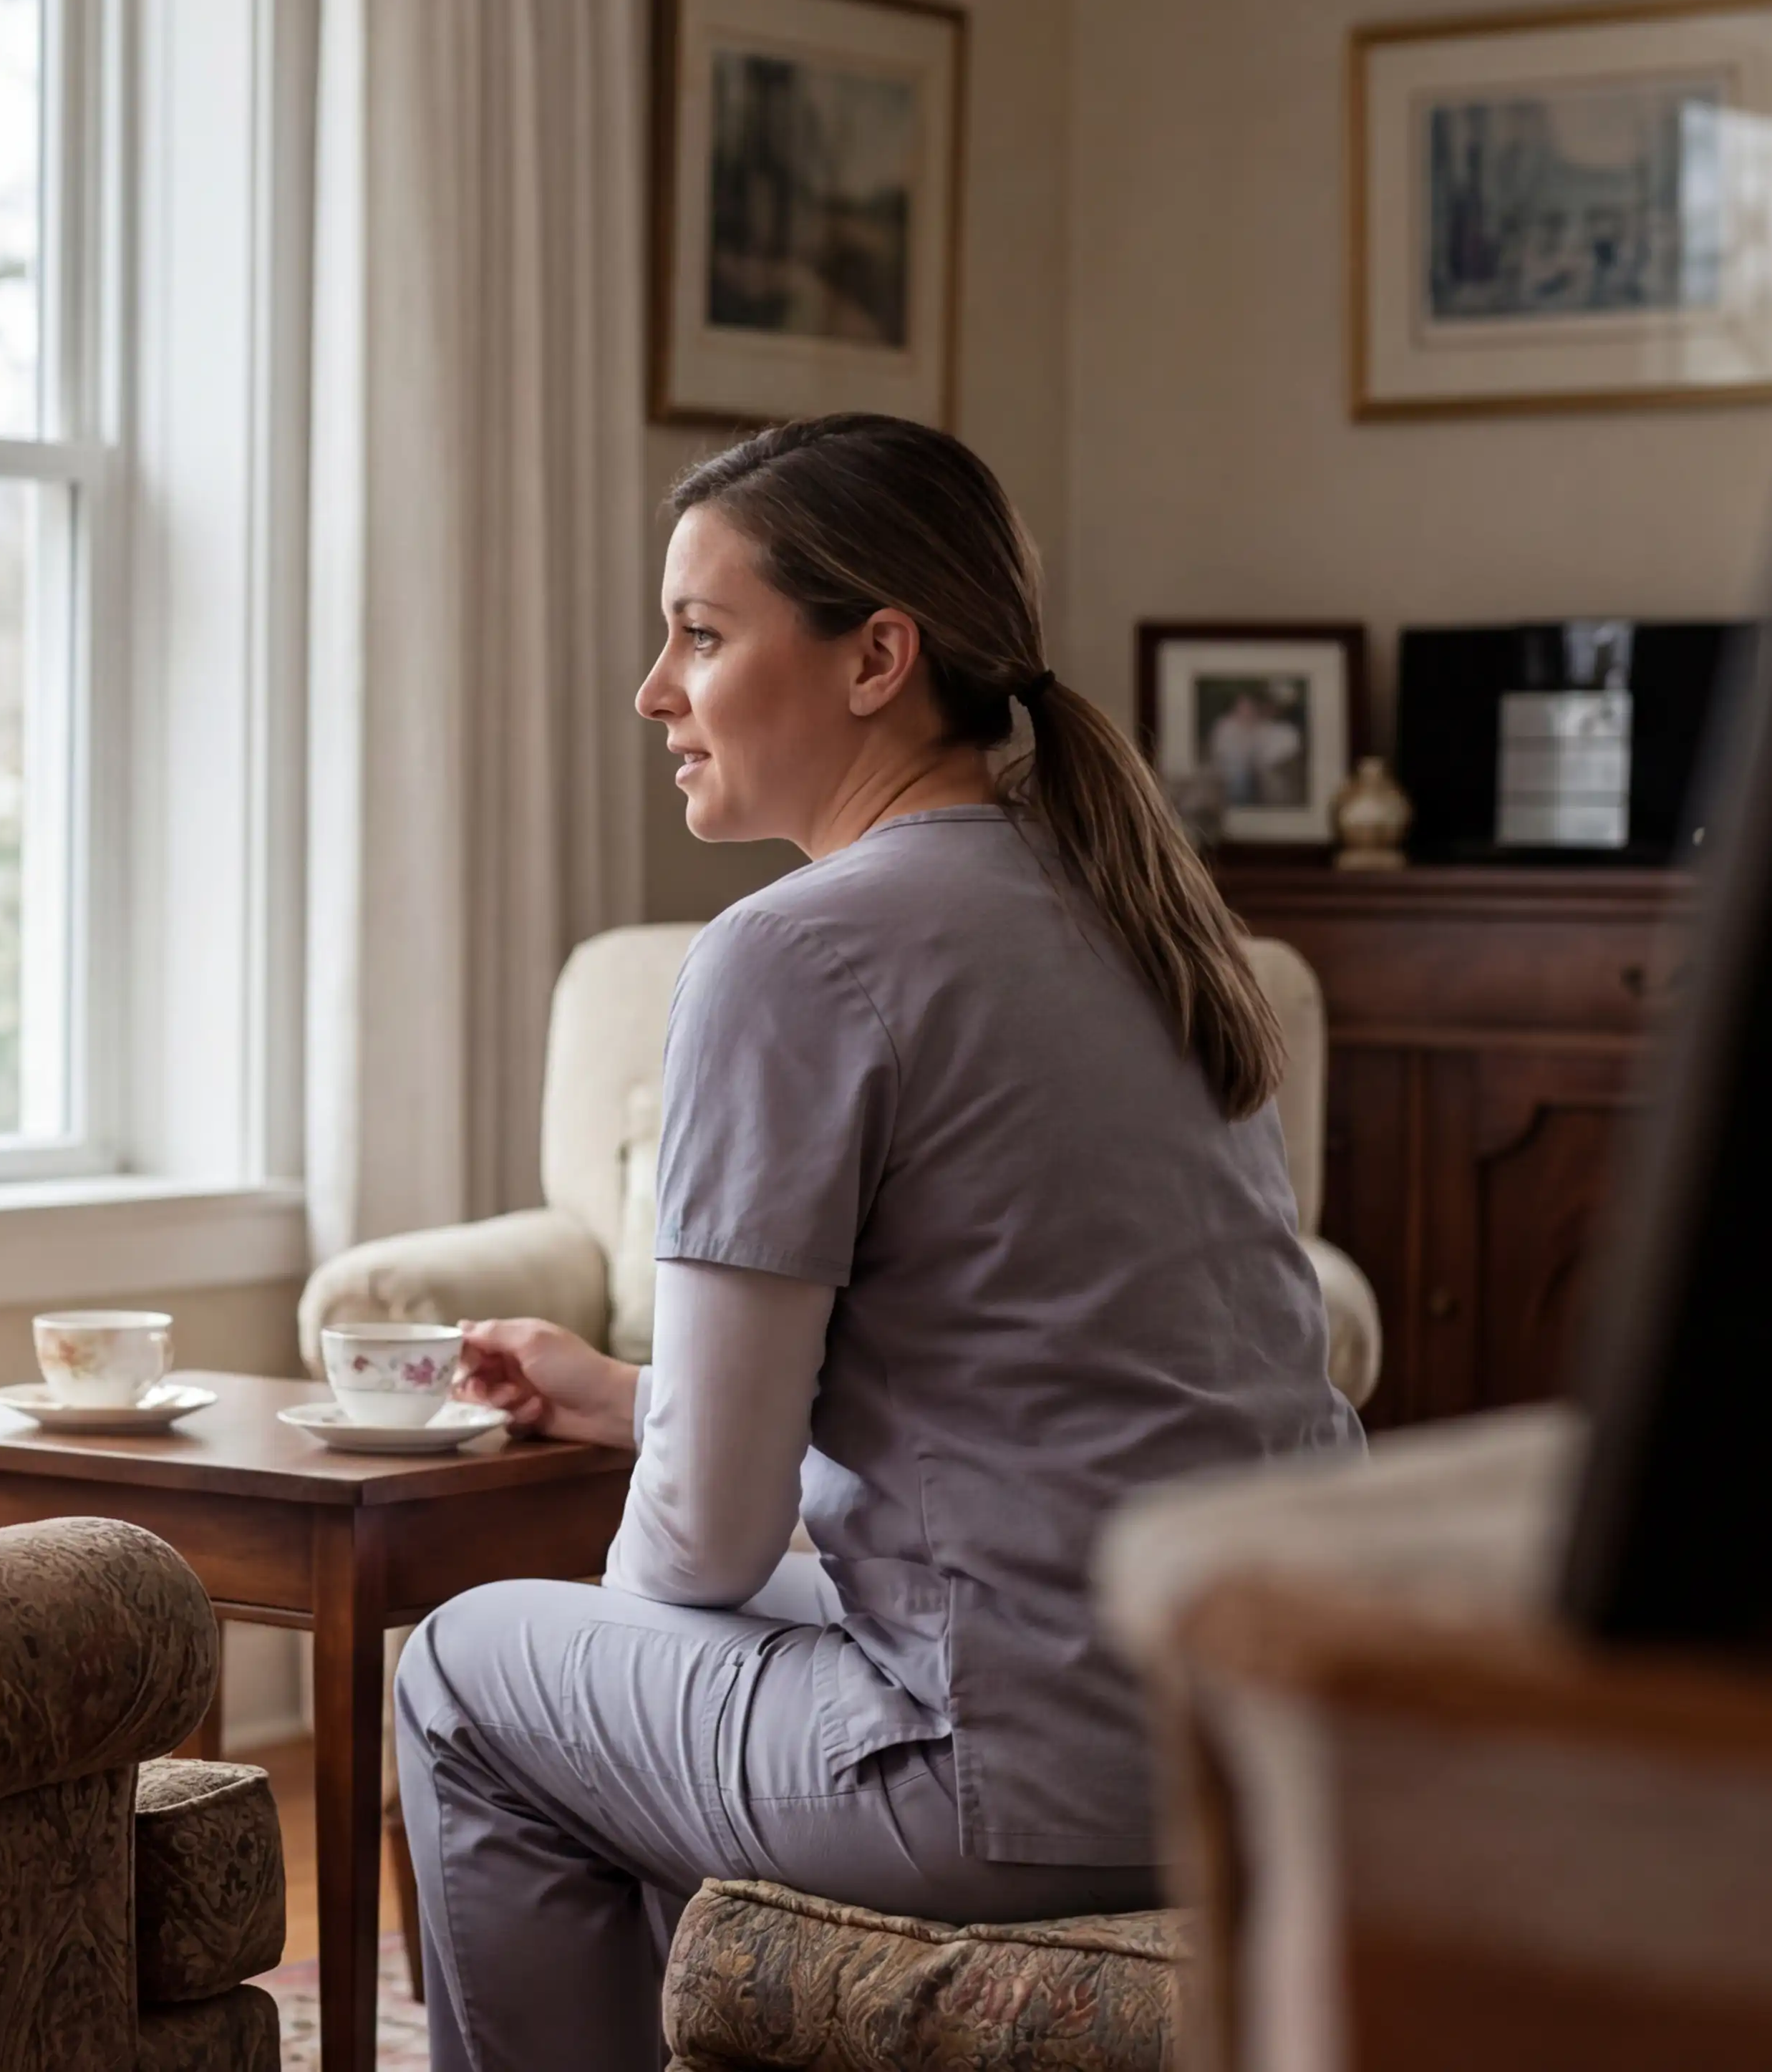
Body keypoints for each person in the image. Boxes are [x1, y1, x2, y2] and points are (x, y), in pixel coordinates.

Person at [393, 416, 1361, 2072]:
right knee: (667, 1670)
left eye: (700, 633)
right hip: (1257, 1741)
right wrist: (632, 1396)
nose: (654, 689)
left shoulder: (791, 955)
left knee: (472, 1672)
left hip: (1024, 1779)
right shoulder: (1138, 920)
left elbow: (698, 1545)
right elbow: (1036, 1372)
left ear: (875, 658)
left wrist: (638, 1676)